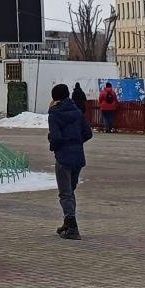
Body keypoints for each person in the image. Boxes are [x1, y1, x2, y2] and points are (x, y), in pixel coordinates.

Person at [47, 83, 92, 239]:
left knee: (65, 193)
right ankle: (68, 222)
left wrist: (53, 145)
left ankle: (72, 227)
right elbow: (88, 133)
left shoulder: (54, 113)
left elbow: (56, 137)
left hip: (63, 158)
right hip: (78, 158)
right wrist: (76, 141)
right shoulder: (77, 112)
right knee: (70, 191)